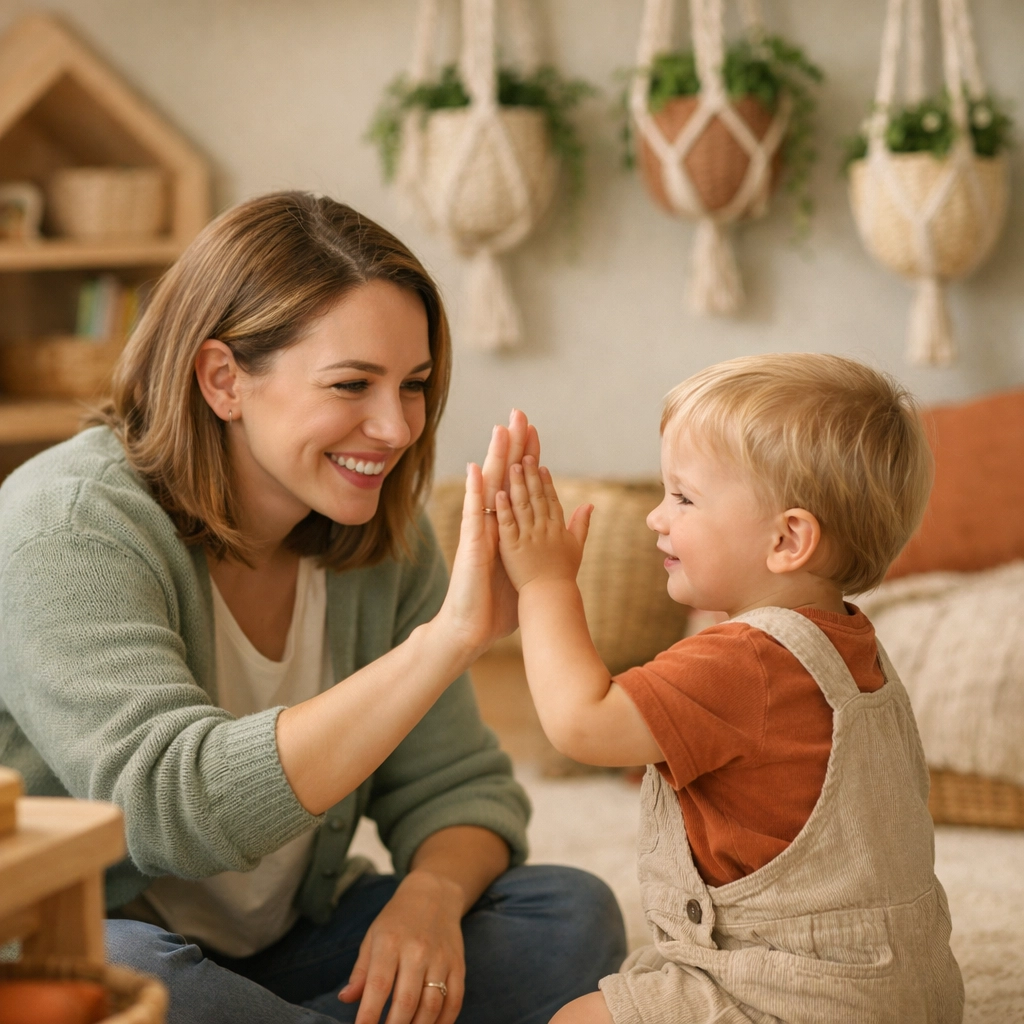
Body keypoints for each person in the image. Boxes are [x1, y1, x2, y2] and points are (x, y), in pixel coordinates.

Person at [0, 192, 625, 1024]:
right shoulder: (68, 526)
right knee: (124, 977)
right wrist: (447, 640)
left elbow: (458, 792)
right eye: (352, 384)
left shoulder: (382, 541)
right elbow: (170, 810)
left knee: (567, 914)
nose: (397, 426)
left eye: (414, 385)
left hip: (286, 950)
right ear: (223, 379)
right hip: (96, 938)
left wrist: (431, 899)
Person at [493, 354, 964, 1023]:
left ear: (788, 538)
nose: (657, 517)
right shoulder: (851, 644)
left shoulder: (745, 661)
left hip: (791, 995)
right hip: (904, 989)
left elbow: (581, 723)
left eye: (683, 497)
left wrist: (545, 585)